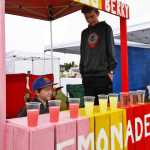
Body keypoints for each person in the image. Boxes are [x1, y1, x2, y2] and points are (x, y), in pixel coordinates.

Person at [79, 6, 117, 105]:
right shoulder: (84, 33)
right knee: (89, 110)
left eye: (92, 16)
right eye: (87, 18)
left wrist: (111, 71)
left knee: (104, 109)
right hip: (87, 77)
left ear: (98, 13)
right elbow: (82, 54)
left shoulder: (106, 28)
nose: (90, 20)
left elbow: (111, 49)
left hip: (103, 76)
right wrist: (82, 73)